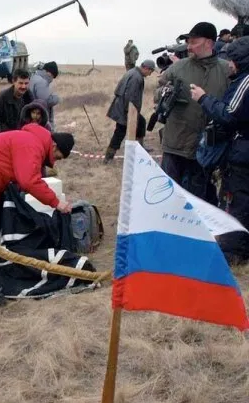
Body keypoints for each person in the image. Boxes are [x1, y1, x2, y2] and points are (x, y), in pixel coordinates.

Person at [0, 124, 74, 291]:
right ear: (54, 146)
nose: (54, 162)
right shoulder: (32, 144)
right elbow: (29, 180)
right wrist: (57, 203)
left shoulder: (33, 141)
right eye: (58, 157)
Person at [189, 36, 249, 263]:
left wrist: (203, 98)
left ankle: (234, 251)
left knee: (236, 200)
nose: (229, 64)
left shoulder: (245, 82)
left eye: (233, 60)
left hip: (242, 155)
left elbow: (230, 114)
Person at [156, 21, 231, 202]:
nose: (189, 46)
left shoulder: (226, 70)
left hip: (207, 149)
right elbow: (157, 92)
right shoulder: (178, 67)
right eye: (188, 42)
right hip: (176, 144)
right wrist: (164, 95)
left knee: (197, 200)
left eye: (193, 41)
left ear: (208, 43)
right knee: (168, 197)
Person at [103, 59, 156, 163]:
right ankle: (109, 156)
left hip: (125, 107)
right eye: (151, 71)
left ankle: (140, 148)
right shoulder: (136, 77)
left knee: (141, 122)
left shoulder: (133, 72)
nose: (150, 74)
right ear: (145, 68)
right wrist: (129, 113)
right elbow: (130, 96)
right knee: (120, 132)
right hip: (125, 109)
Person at [29, 61, 60, 129]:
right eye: (52, 76)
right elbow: (45, 101)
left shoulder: (34, 77)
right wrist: (56, 98)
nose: (52, 79)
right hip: (39, 117)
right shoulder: (42, 82)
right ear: (48, 72)